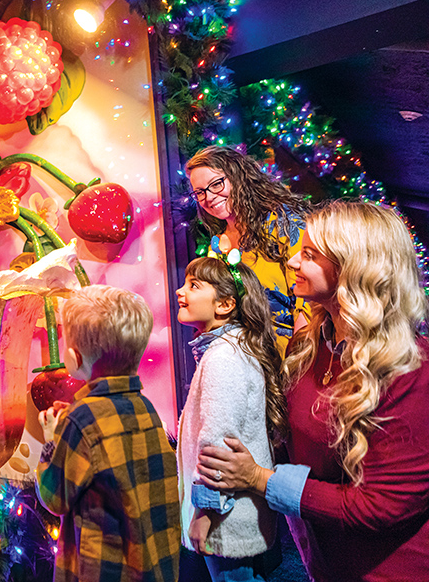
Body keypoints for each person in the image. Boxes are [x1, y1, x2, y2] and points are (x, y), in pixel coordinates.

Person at [195, 201, 429, 582]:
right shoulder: (314, 343)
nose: (290, 261)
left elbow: (383, 505)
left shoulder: (410, 370)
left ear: (354, 268)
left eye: (309, 253)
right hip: (325, 562)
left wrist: (261, 480)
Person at [36, 286, 180, 582]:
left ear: (74, 358)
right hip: (153, 566)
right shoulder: (146, 408)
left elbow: (54, 497)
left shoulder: (81, 421)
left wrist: (52, 438)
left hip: (105, 571)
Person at [175, 255, 285, 581]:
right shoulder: (229, 349)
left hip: (226, 520)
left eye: (194, 285)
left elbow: (218, 441)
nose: (181, 292)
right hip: (233, 515)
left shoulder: (225, 357)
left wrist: (205, 513)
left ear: (224, 304)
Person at [186, 146, 310, 351]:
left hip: (292, 354)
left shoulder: (282, 222)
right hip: (246, 360)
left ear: (238, 177)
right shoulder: (217, 247)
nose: (208, 198)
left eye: (216, 184)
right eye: (200, 192)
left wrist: (298, 361)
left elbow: (309, 300)